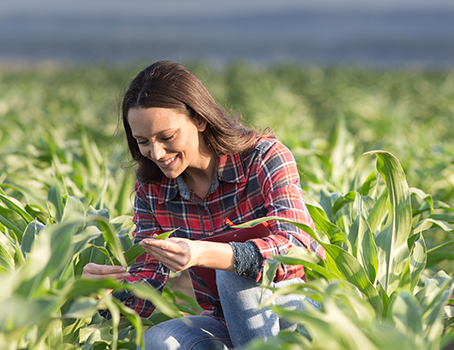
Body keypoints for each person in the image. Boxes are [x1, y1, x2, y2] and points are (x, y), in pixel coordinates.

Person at [82, 60, 325, 349]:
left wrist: (206, 253)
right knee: (162, 340)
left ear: (200, 119)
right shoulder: (152, 191)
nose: (156, 153)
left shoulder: (264, 158)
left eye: (167, 137)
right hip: (228, 321)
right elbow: (146, 282)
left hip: (298, 310)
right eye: (143, 141)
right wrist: (99, 292)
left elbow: (298, 244)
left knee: (232, 273)